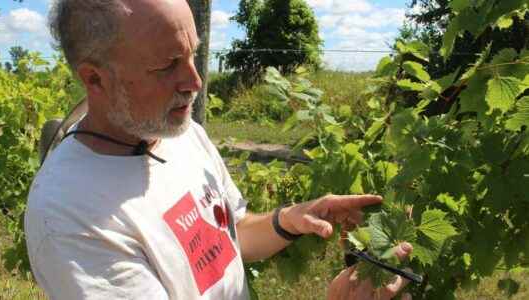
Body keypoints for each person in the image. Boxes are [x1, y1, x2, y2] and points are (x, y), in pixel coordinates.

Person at [24, 0, 413, 299]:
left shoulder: (181, 133)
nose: (194, 81)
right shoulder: (69, 217)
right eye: (167, 65)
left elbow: (231, 235)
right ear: (95, 78)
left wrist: (291, 218)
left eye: (192, 54)